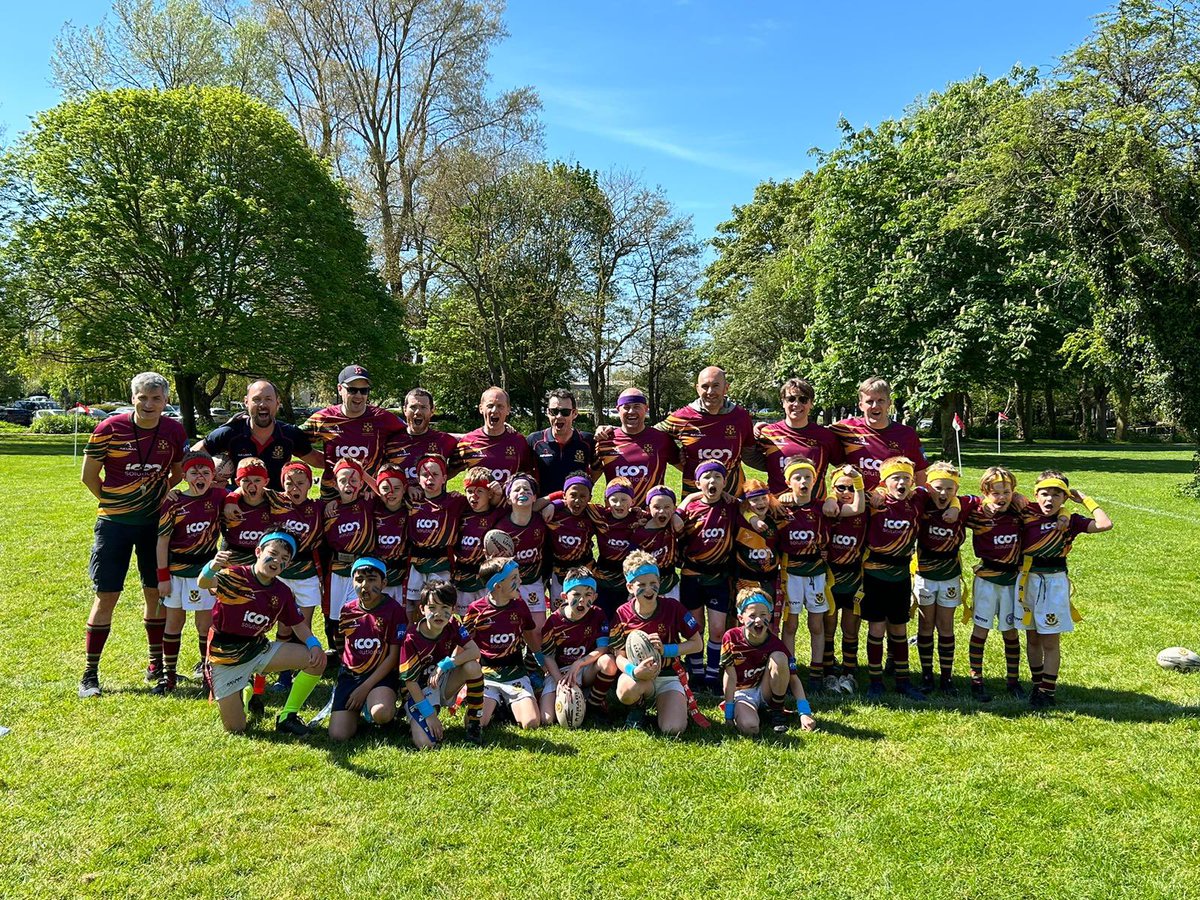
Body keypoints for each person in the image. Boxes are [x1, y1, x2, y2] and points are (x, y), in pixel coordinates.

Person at [80, 372, 188, 699]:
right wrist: (116, 503)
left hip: (154, 527)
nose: (149, 404)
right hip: (113, 525)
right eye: (143, 397)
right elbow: (88, 476)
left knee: (155, 593)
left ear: (166, 401)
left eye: (156, 398)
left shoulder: (173, 430)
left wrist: (156, 498)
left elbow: (178, 471)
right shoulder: (108, 428)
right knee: (107, 596)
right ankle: (90, 674)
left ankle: (156, 665)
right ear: (133, 398)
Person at [198, 532, 327, 735]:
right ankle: (247, 690)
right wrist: (212, 567)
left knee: (316, 661)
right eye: (273, 554)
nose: (277, 561)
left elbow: (298, 624)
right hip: (224, 656)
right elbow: (203, 583)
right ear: (258, 552)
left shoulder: (282, 592)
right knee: (236, 728)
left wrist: (314, 645)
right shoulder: (234, 576)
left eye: (284, 559)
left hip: (258, 648)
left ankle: (287, 716)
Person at [860, 457, 956, 701]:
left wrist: (954, 505)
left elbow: (944, 491)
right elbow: (844, 494)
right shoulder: (874, 500)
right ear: (885, 482)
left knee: (899, 628)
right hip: (875, 573)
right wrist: (877, 491)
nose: (901, 483)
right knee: (877, 628)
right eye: (895, 479)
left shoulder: (917, 499)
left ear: (913, 482)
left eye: (906, 478)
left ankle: (903, 681)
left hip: (901, 575)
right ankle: (875, 681)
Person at [1018, 470, 1113, 707]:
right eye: (1044, 494)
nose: (1049, 500)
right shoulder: (1026, 512)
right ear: (1036, 495)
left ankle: (1047, 691)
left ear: (1065, 497)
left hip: (1054, 582)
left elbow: (1105, 524)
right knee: (1032, 638)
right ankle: (1036, 685)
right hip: (1027, 580)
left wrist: (1085, 500)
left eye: (1056, 495)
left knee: (1050, 641)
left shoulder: (1070, 520)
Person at [777, 460, 864, 691]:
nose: (803, 481)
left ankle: (816, 674)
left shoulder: (823, 508)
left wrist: (856, 482)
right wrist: (777, 498)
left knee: (817, 625)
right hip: (791, 575)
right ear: (788, 482)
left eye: (808, 477)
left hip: (816, 575)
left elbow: (857, 509)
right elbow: (748, 502)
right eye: (797, 478)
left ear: (815, 481)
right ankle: (789, 672)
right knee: (791, 625)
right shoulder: (780, 507)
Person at [153, 451, 225, 694]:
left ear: (213, 476)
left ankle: (208, 673)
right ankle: (168, 675)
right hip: (176, 573)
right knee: (174, 622)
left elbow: (243, 497)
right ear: (184, 476)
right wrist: (162, 577)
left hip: (204, 572)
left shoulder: (218, 497)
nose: (200, 477)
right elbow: (162, 541)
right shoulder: (173, 502)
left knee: (205, 625)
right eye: (194, 472)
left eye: (205, 472)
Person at [609, 551, 704, 735]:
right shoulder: (622, 614)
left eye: (654, 583)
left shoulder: (673, 607)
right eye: (642, 585)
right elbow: (619, 655)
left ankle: (669, 704)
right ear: (630, 587)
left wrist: (665, 650)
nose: (649, 589)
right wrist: (634, 671)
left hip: (668, 675)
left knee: (673, 729)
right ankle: (638, 707)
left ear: (660, 583)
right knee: (625, 690)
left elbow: (697, 644)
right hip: (640, 677)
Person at [913, 462, 979, 695]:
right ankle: (927, 676)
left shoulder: (962, 504)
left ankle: (947, 677)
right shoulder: (921, 502)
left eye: (950, 489)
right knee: (925, 624)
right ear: (929, 486)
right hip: (925, 574)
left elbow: (978, 499)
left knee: (946, 626)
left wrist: (956, 504)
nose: (943, 493)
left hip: (950, 575)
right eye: (938, 488)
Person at [676, 460, 743, 690]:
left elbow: (757, 504)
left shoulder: (733, 507)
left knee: (717, 628)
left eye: (717, 477)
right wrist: (687, 500)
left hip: (718, 577)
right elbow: (674, 525)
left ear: (725, 482)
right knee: (695, 627)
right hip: (692, 575)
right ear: (698, 483)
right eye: (707, 477)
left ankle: (713, 673)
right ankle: (695, 672)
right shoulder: (690, 509)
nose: (712, 481)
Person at [963, 466, 1026, 701]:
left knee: (1010, 631)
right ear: (985, 492)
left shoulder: (1020, 512)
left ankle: (1013, 680)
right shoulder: (976, 513)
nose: (1002, 497)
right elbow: (952, 507)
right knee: (981, 630)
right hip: (987, 579)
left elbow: (1051, 512)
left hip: (1012, 580)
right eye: (996, 492)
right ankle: (976, 679)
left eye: (1007, 492)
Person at [398, 580, 486, 747]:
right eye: (432, 608)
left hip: (443, 682)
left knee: (473, 667)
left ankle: (474, 721)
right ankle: (416, 717)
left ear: (453, 610)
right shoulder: (411, 639)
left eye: (445, 608)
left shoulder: (453, 624)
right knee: (426, 744)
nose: (438, 614)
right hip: (419, 691)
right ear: (422, 609)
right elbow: (410, 682)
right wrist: (429, 714)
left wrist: (445, 664)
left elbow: (475, 652)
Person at [328, 558, 407, 742]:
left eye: (372, 579)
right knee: (338, 735)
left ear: (384, 583)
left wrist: (364, 688)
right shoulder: (347, 610)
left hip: (380, 676)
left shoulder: (394, 610)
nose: (365, 585)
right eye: (359, 579)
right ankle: (358, 707)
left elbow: (393, 657)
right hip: (351, 676)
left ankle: (374, 703)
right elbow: (341, 643)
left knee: (382, 713)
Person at [302, 365, 406, 500]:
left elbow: (412, 437)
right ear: (340, 389)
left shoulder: (382, 418)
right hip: (332, 498)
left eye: (364, 391)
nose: (358, 395)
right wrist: (321, 461)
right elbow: (294, 440)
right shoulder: (324, 418)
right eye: (352, 390)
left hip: (368, 497)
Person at [463, 557, 544, 731]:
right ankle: (496, 704)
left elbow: (529, 634)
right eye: (514, 578)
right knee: (474, 723)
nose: (520, 580)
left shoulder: (520, 606)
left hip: (515, 672)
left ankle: (505, 705)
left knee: (531, 723)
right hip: (487, 674)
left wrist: (540, 659)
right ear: (498, 586)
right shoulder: (475, 609)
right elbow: (464, 642)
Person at [720, 589, 815, 736]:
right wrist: (729, 714)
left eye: (763, 615)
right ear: (740, 617)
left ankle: (776, 711)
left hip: (766, 690)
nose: (758, 620)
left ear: (770, 616)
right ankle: (752, 713)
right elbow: (730, 677)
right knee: (750, 728)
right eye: (752, 615)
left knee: (779, 657)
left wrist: (805, 712)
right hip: (743, 693)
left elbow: (794, 678)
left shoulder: (775, 643)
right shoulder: (731, 638)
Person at [193, 380, 317, 489]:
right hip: (238, 507)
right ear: (246, 402)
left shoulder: (290, 434)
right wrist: (207, 481)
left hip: (278, 508)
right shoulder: (230, 432)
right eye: (256, 399)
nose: (262, 404)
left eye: (268, 399)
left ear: (278, 403)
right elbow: (191, 455)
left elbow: (318, 460)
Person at [657, 366, 758, 494]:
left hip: (733, 495)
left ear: (726, 388)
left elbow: (751, 453)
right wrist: (676, 455)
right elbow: (652, 435)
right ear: (697, 388)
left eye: (716, 385)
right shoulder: (683, 417)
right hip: (695, 498)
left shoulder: (741, 416)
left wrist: (763, 432)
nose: (710, 392)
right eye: (705, 386)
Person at [538, 569, 617, 724]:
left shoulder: (598, 614)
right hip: (559, 672)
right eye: (576, 594)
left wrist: (579, 663)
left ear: (595, 597)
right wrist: (560, 681)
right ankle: (541, 694)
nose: (582, 600)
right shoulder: (553, 622)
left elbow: (602, 648)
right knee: (547, 720)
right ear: (564, 596)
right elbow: (547, 656)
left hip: (584, 668)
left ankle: (594, 704)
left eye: (588, 595)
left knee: (608, 661)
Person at [830, 376, 928, 490]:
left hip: (891, 504)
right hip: (855, 503)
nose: (875, 406)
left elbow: (920, 474)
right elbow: (816, 436)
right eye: (869, 401)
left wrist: (922, 501)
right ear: (861, 405)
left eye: (880, 401)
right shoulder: (845, 428)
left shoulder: (907, 434)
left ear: (889, 403)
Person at [754, 378, 844, 496]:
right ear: (783, 402)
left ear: (811, 403)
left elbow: (842, 470)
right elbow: (749, 456)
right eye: (791, 399)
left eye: (803, 399)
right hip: (777, 509)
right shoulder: (767, 433)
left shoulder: (826, 436)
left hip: (815, 510)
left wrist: (832, 498)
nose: (796, 404)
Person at [405, 454, 470, 612]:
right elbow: (382, 492)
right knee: (412, 605)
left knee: (440, 604)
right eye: (425, 475)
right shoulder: (411, 500)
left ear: (444, 478)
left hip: (442, 563)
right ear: (418, 478)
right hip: (415, 563)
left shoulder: (456, 501)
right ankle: (414, 635)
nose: (429, 479)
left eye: (435, 474)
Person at [824, 465, 869, 694]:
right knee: (829, 628)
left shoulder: (864, 508)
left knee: (850, 629)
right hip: (831, 579)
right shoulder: (827, 510)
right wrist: (831, 498)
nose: (845, 491)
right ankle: (828, 670)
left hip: (854, 579)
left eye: (850, 487)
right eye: (840, 487)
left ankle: (849, 670)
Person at [592, 387, 680, 504]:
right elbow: (591, 478)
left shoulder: (662, 439)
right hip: (616, 517)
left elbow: (688, 470)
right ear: (618, 410)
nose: (631, 411)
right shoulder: (605, 440)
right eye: (626, 407)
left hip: (651, 517)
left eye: (637, 406)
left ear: (646, 409)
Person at [496, 473, 550, 626]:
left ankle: (536, 651)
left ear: (534, 497)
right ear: (508, 498)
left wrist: (553, 503)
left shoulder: (541, 520)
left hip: (533, 581)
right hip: (508, 582)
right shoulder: (500, 527)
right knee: (509, 624)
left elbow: (564, 497)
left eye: (527, 490)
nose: (522, 492)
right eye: (517, 489)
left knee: (538, 628)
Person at [451, 467, 507, 615]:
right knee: (466, 619)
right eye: (469, 491)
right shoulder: (461, 512)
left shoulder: (498, 514)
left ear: (490, 494)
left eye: (479, 491)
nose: (473, 496)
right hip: (463, 577)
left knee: (488, 618)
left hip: (487, 578)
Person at [455, 386, 534, 486]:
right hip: (479, 501)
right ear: (481, 408)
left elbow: (529, 477)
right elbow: (445, 474)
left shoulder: (519, 441)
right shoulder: (468, 442)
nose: (494, 410)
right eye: (490, 405)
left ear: (508, 410)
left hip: (508, 502)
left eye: (500, 406)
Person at [527, 388, 595, 495]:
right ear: (548, 412)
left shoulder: (587, 441)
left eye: (565, 412)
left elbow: (598, 469)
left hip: (575, 508)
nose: (559, 416)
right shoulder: (534, 441)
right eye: (554, 411)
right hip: (543, 507)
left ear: (574, 413)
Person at [383, 387, 459, 484]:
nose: (417, 412)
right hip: (402, 499)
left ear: (432, 411)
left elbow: (462, 464)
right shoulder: (391, 442)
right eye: (413, 407)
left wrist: (439, 481)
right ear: (404, 410)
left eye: (423, 407)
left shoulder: (445, 440)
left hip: (433, 499)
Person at [544, 472, 597, 600]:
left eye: (583, 496)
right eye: (572, 495)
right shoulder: (553, 514)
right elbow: (533, 507)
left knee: (583, 608)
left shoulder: (594, 515)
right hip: (558, 572)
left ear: (590, 497)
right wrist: (554, 503)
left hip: (583, 571)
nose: (578, 500)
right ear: (564, 495)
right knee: (559, 612)